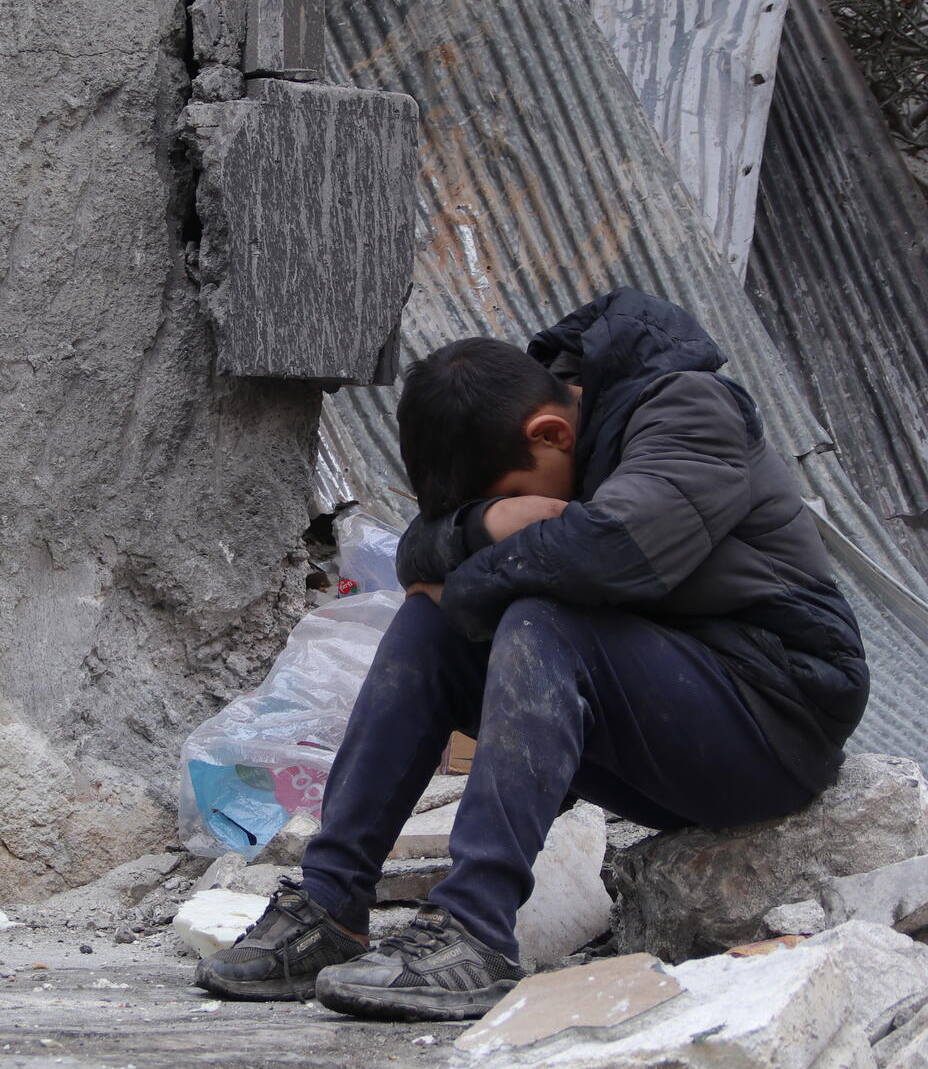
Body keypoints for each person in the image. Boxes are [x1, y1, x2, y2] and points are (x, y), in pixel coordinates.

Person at [193, 288, 870, 1021]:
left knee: (538, 614)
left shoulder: (688, 410)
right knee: (432, 619)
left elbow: (615, 551)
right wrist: (491, 518)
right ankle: (330, 904)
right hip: (658, 727)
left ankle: (474, 929)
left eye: (513, 493)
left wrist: (472, 565)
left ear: (550, 433)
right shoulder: (527, 427)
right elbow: (425, 547)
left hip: (770, 721)